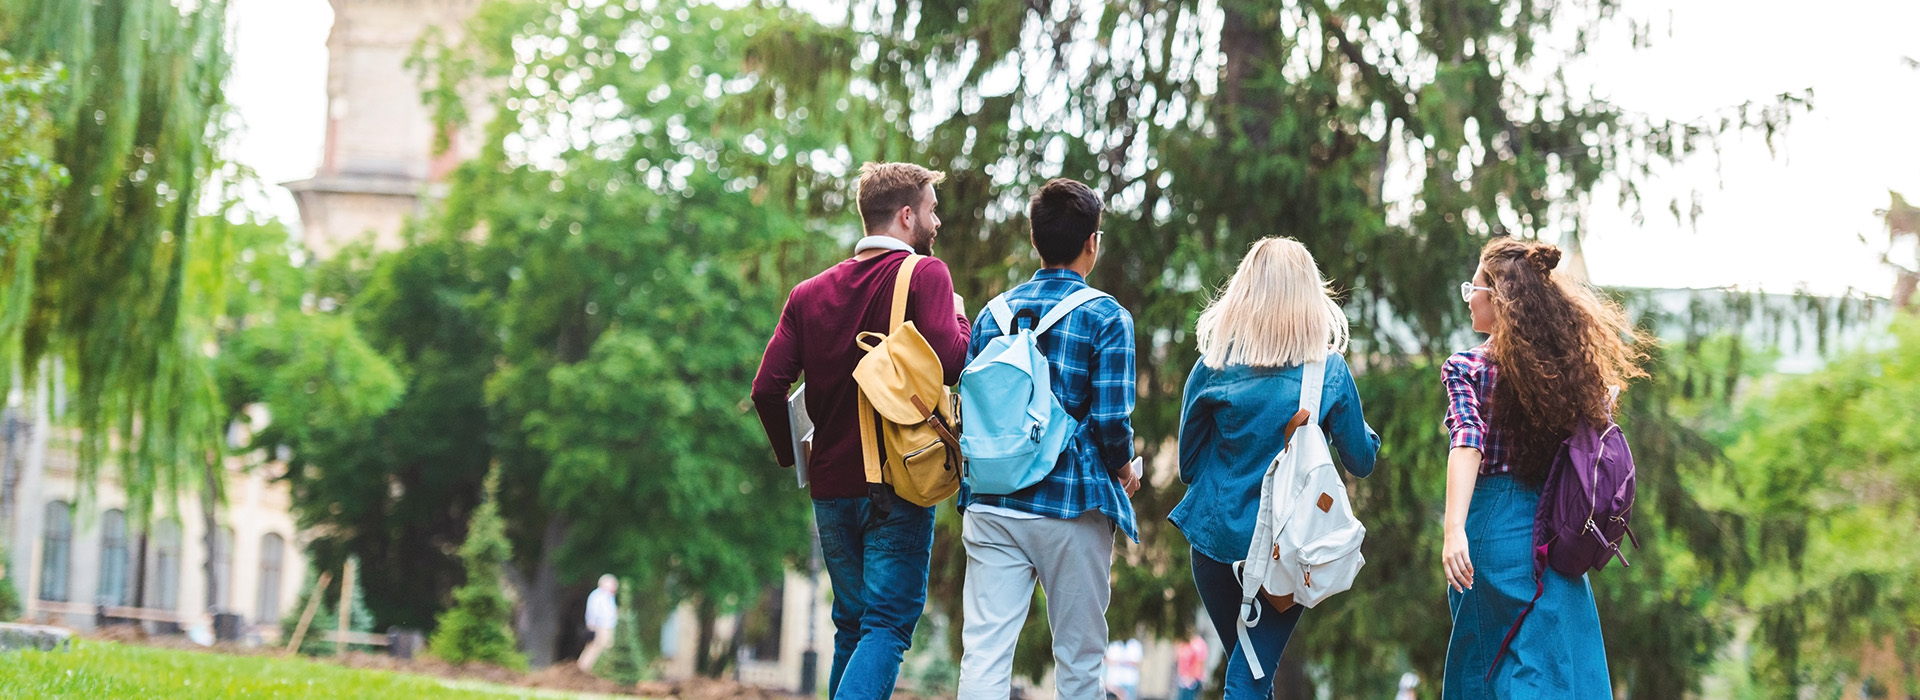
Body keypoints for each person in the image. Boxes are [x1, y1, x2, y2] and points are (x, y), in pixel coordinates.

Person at [751, 162, 970, 699]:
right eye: (931, 209)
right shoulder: (926, 276)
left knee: (852, 625)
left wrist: (795, 454)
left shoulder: (807, 294)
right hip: (897, 484)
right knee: (888, 627)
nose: (936, 221)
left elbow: (765, 389)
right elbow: (951, 360)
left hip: (830, 489)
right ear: (905, 216)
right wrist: (961, 319)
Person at [955, 178, 1142, 700]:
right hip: (1070, 504)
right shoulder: (1107, 317)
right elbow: (1109, 422)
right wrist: (1126, 469)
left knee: (986, 654)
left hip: (992, 499)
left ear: (1035, 241)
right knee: (1080, 663)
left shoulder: (991, 315)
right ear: (1092, 243)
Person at [1170, 237, 1380, 698]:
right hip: (1283, 553)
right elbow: (1360, 462)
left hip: (1213, 544)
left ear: (1243, 291)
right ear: (1310, 296)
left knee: (1251, 674)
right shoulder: (1328, 372)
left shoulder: (1213, 366)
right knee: (1249, 677)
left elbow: (1187, 466)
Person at [1440, 237, 1643, 698]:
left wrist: (1454, 529)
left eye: (1473, 288)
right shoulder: (1565, 374)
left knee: (1487, 663)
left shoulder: (1468, 366)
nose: (1469, 297)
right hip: (1554, 532)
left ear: (1498, 298)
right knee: (1552, 663)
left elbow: (1468, 441)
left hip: (1491, 527)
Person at [578, 574, 618, 672]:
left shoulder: (608, 596)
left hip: (607, 626)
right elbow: (593, 612)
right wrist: (592, 625)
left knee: (603, 648)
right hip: (600, 626)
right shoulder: (598, 595)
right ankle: (582, 669)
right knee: (595, 648)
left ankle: (595, 670)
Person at [1174, 635, 1207, 700]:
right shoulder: (1184, 643)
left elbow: (1198, 662)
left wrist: (1191, 678)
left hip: (1192, 680)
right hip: (1183, 678)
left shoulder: (1198, 643)